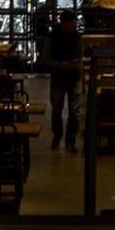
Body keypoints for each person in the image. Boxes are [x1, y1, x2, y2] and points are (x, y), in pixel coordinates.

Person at [41, 9, 82, 152]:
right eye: (69, 23)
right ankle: (61, 137)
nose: (70, 26)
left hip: (69, 77)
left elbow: (45, 59)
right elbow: (45, 60)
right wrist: (61, 64)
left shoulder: (73, 36)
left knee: (71, 111)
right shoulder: (56, 37)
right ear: (63, 22)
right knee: (59, 111)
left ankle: (66, 138)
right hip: (63, 77)